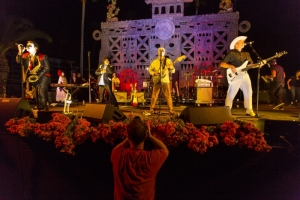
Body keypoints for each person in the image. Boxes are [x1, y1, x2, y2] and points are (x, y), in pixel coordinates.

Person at [111, 116, 169, 200]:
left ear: (128, 136)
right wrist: (150, 136)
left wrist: (129, 137)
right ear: (145, 135)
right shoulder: (151, 158)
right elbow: (165, 150)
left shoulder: (117, 154)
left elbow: (115, 149)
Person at [220, 36, 266, 117]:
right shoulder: (231, 54)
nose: (243, 43)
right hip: (235, 75)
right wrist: (231, 66)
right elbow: (222, 64)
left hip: (244, 74)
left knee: (249, 92)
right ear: (236, 45)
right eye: (241, 42)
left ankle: (249, 110)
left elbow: (250, 65)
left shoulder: (246, 54)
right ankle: (226, 110)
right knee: (231, 93)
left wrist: (258, 65)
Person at [16, 41, 50, 110]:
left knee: (41, 92)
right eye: (27, 46)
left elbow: (47, 68)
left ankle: (42, 107)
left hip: (43, 76)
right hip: (32, 76)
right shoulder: (26, 56)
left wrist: (38, 76)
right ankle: (39, 106)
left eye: (30, 46)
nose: (28, 47)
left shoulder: (43, 56)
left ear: (36, 48)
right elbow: (18, 61)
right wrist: (20, 51)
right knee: (35, 94)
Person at [148, 47, 175, 115]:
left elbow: (173, 70)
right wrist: (154, 73)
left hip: (165, 80)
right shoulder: (154, 62)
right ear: (158, 52)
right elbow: (150, 70)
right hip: (157, 80)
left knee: (168, 95)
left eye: (162, 51)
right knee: (154, 95)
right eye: (160, 51)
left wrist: (171, 68)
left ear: (164, 52)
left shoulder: (168, 61)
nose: (161, 52)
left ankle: (171, 110)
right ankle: (151, 109)